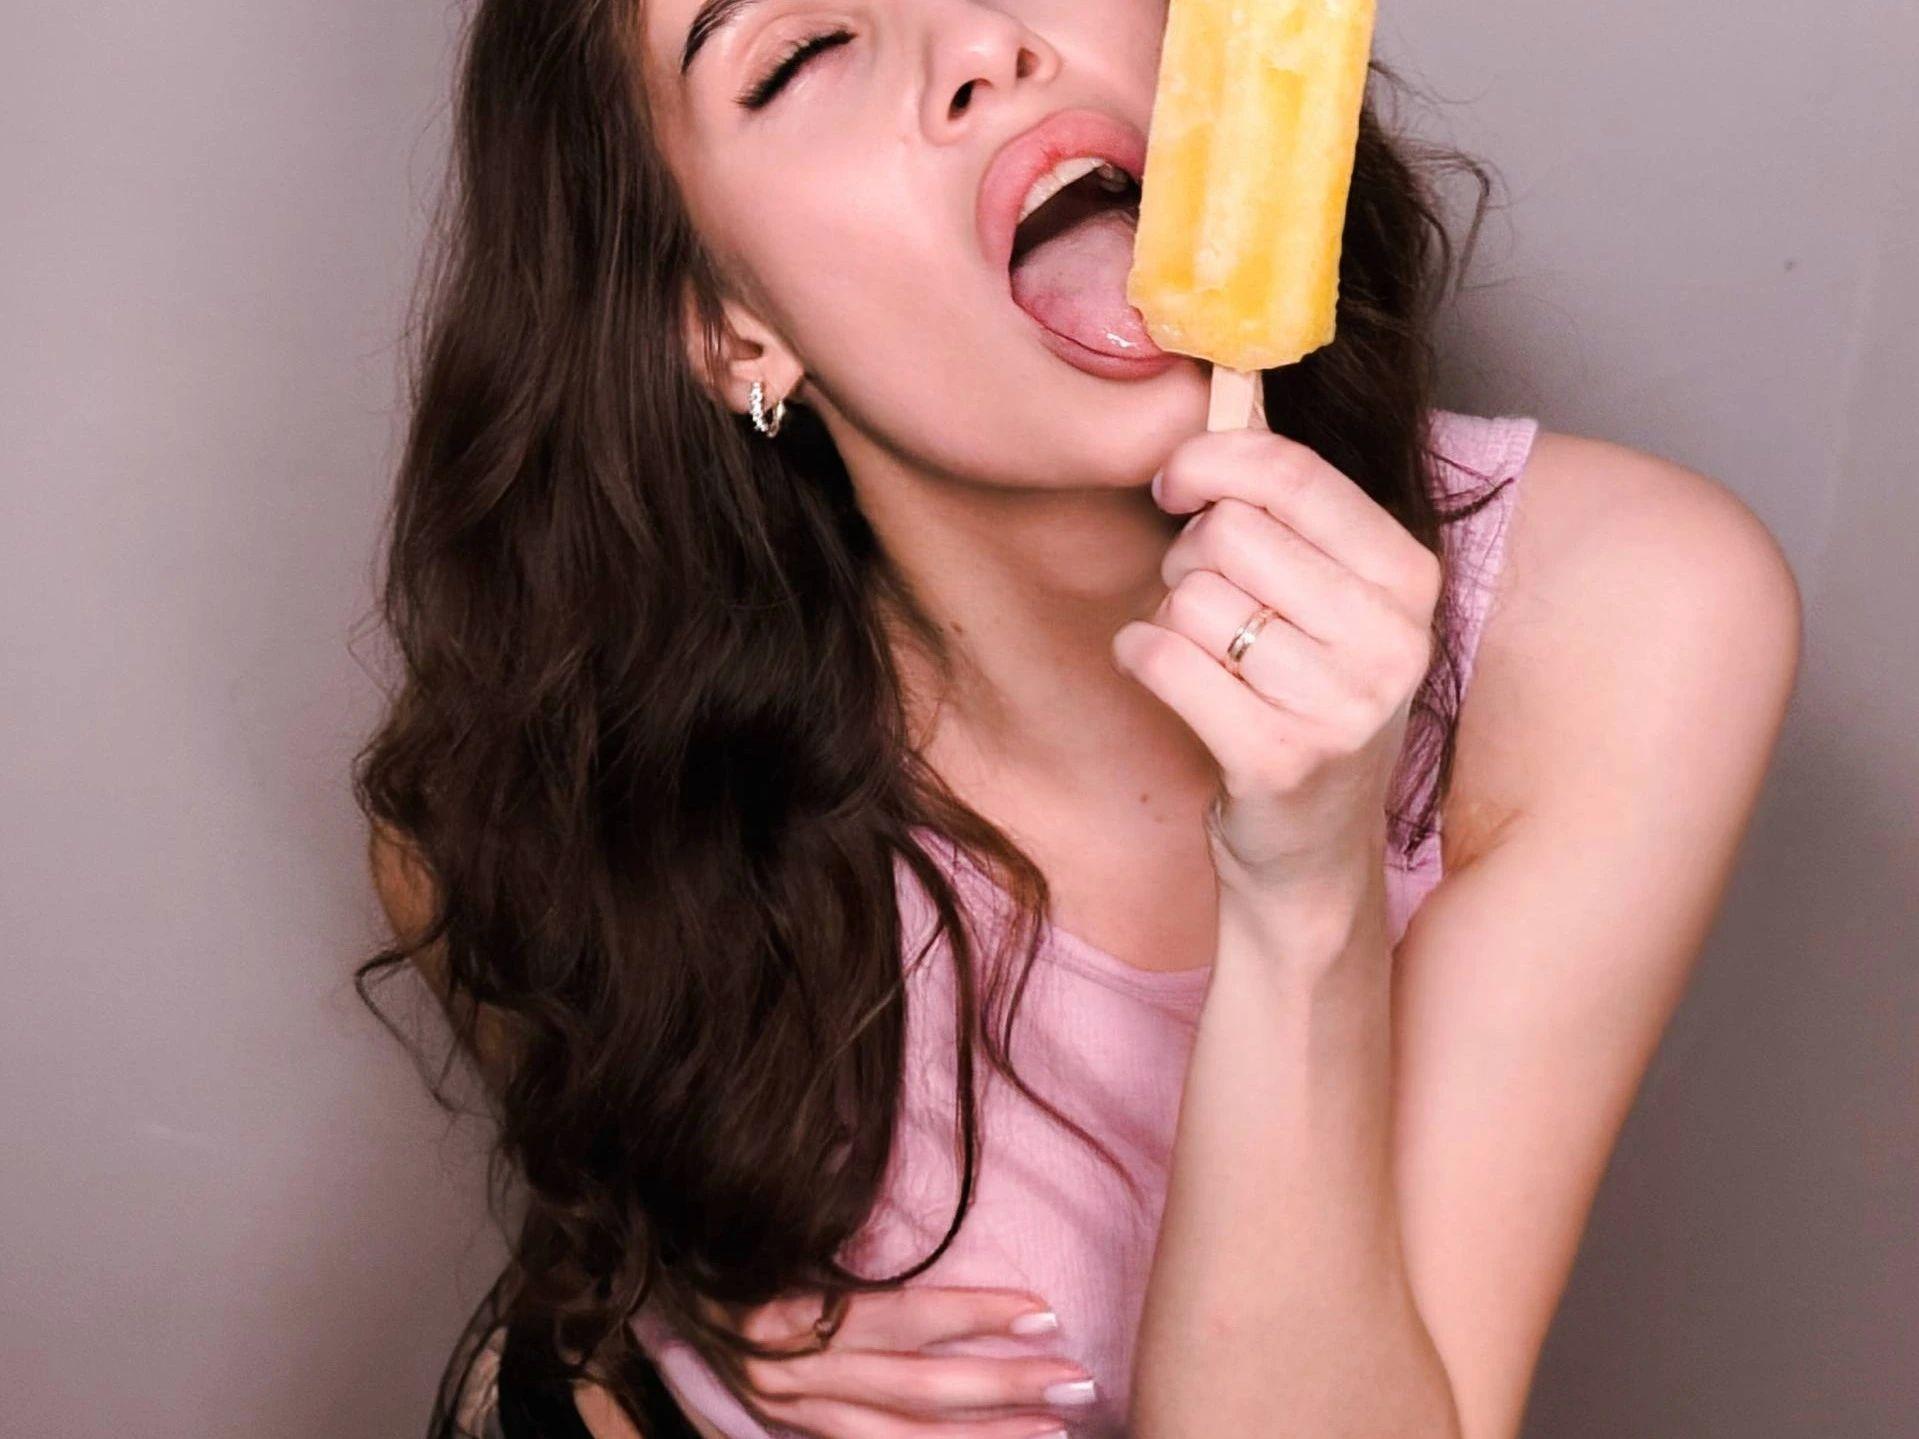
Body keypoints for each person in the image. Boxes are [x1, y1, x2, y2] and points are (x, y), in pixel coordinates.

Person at [359, 0, 1802, 1434]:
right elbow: (443, 844)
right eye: (802, 51)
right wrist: (672, 1263)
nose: (979, 44)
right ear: (732, 330)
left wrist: (1306, 888)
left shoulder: (1617, 613)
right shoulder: (631, 712)